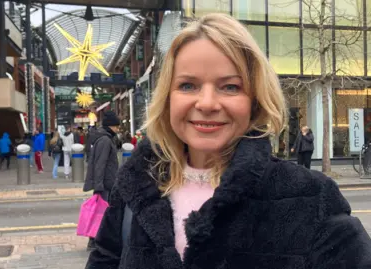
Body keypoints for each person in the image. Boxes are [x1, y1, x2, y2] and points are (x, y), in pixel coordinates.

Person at [85, 14, 371, 269]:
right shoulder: (134, 187)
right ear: (167, 98)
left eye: (230, 87)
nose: (207, 103)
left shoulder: (311, 197)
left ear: (254, 101)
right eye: (188, 85)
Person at [83, 110, 121, 251]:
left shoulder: (105, 138)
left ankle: (98, 240)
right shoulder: (105, 140)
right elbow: (100, 163)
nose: (118, 128)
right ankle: (94, 241)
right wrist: (98, 185)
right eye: (116, 126)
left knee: (103, 212)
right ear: (110, 126)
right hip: (105, 184)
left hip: (107, 182)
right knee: (101, 213)